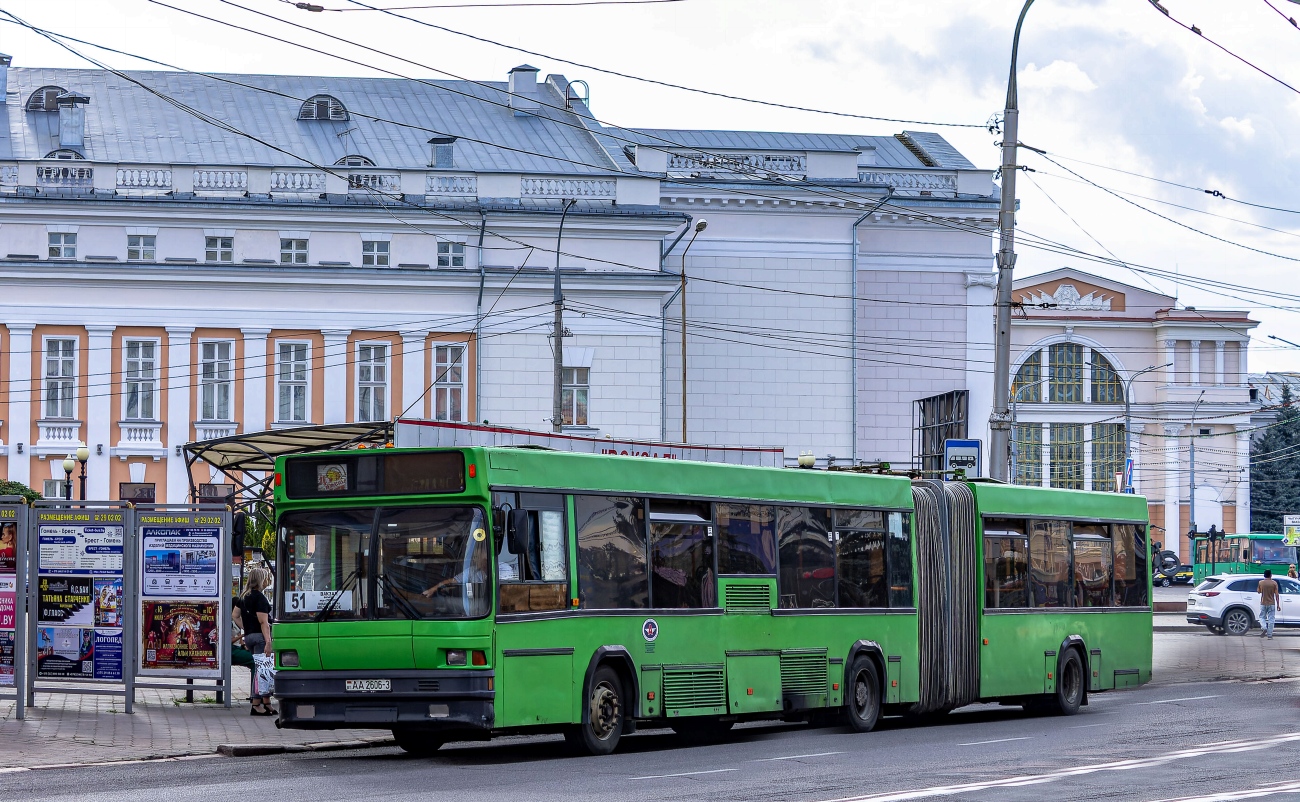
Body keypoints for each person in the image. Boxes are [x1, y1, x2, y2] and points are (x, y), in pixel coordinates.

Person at [240, 566, 276, 715]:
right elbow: (263, 622)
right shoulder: (259, 598)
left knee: (263, 668)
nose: (268, 580)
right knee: (261, 670)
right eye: (267, 577)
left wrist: (246, 628)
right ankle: (256, 703)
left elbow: (235, 615)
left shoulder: (244, 596)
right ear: (261, 580)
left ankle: (266, 702)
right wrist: (268, 641)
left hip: (249, 636)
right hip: (260, 637)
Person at [1259, 569, 1280, 640]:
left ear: (1264, 575)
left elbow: (1258, 591)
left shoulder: (1261, 582)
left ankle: (1264, 627)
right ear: (1271, 575)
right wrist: (1278, 605)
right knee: (1271, 619)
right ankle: (1270, 635)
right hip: (1272, 603)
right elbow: (1277, 595)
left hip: (1263, 603)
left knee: (1262, 617)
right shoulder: (1274, 583)